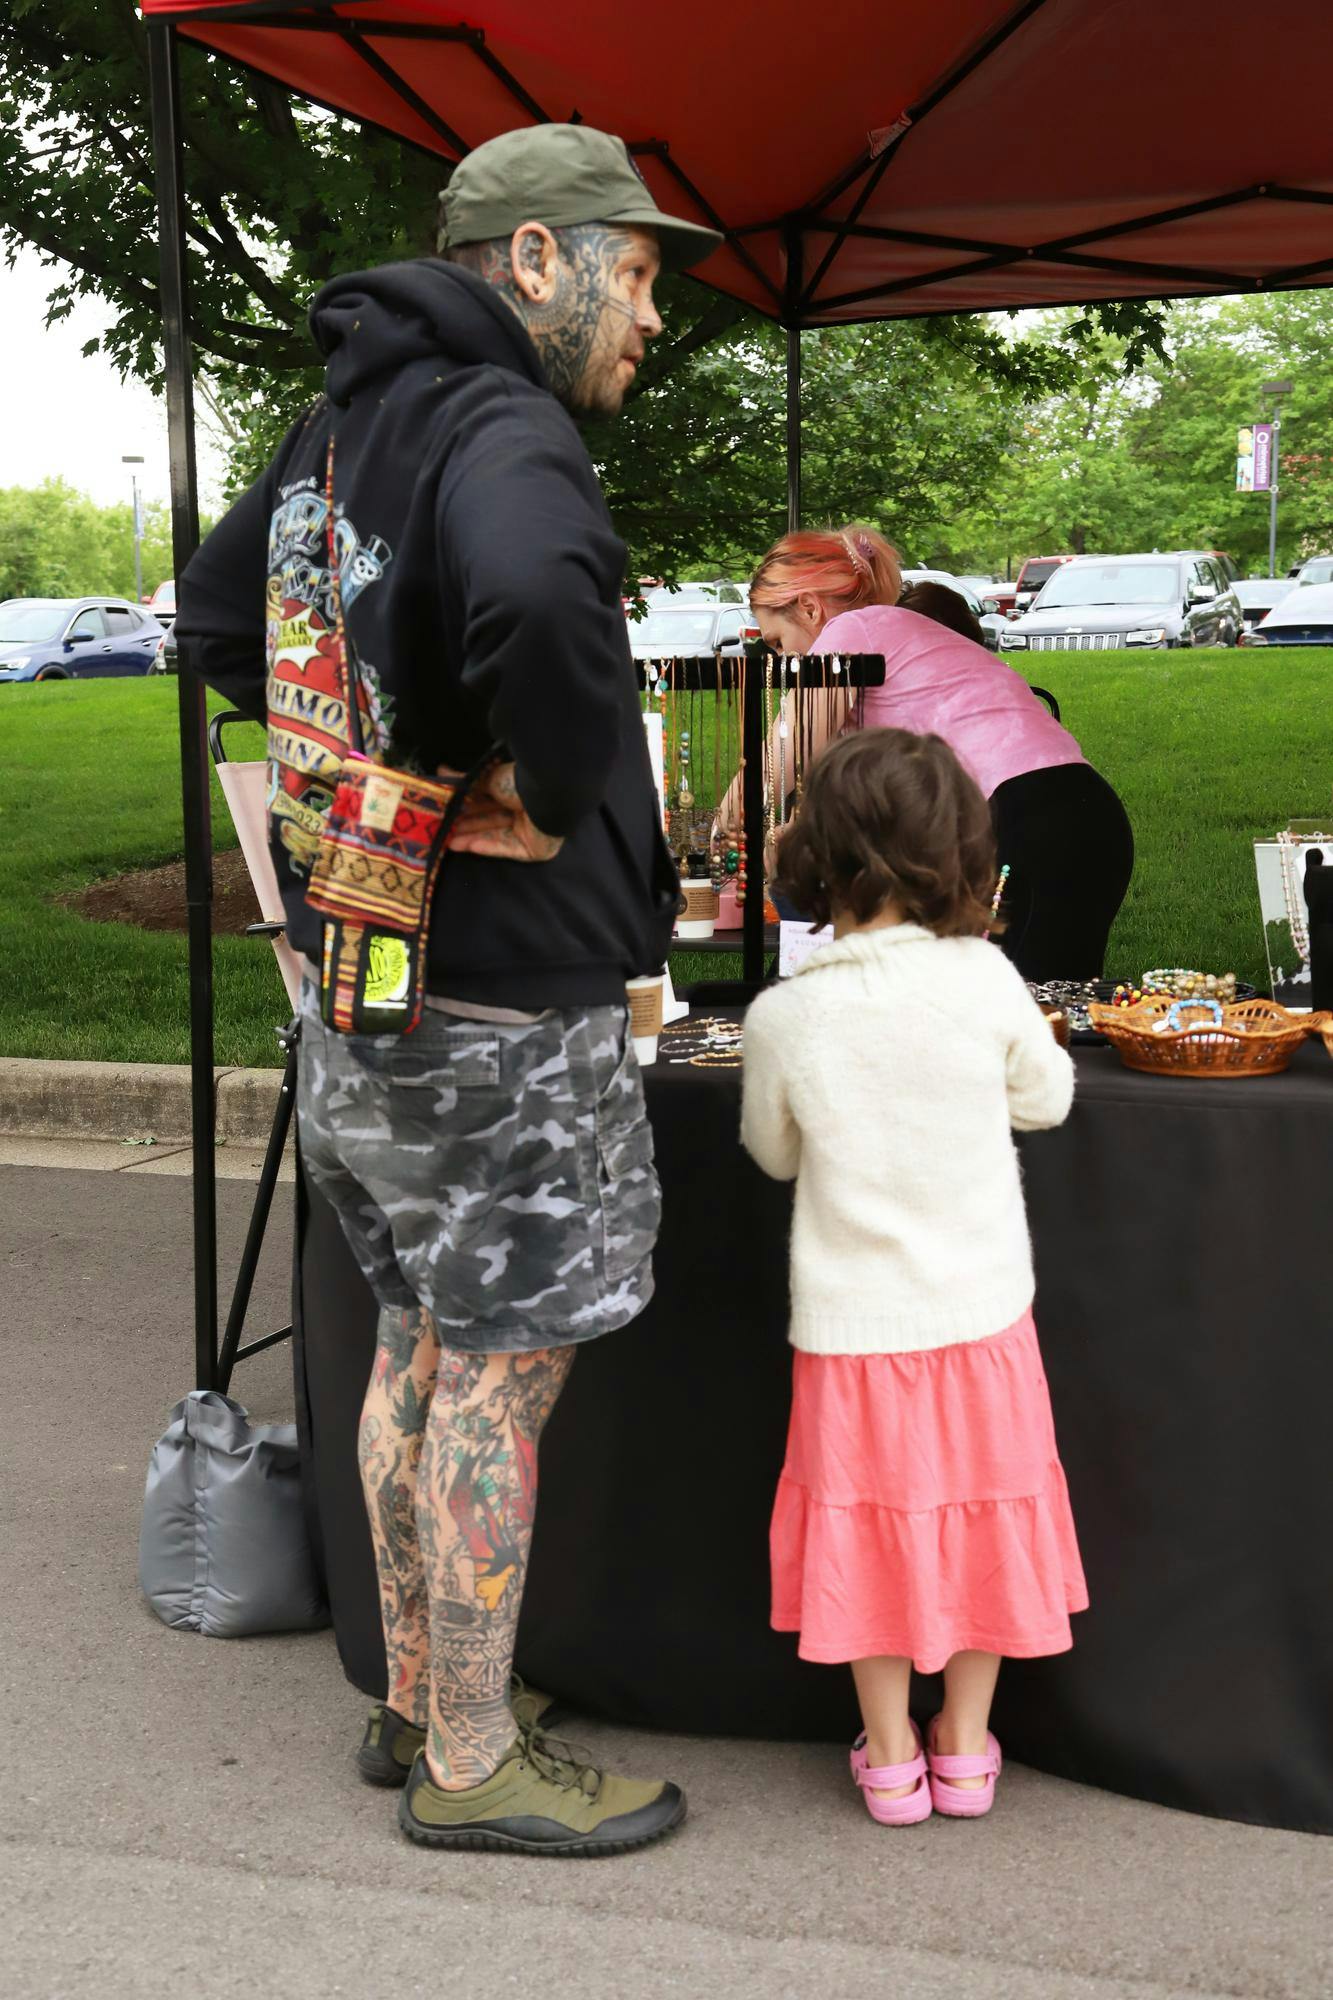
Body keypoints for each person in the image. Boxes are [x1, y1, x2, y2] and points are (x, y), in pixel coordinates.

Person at [175, 124, 722, 1858]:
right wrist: (546, 793)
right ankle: (477, 1761)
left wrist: (364, 778)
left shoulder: (337, 427)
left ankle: (418, 1697)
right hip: (503, 1011)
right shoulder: (502, 423)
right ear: (537, 262)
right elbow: (550, 606)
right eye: (634, 275)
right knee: (495, 1371)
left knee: (418, 1342)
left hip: (363, 985)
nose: (651, 317)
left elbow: (205, 622)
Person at [740, 727, 1087, 1825]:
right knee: (986, 1512)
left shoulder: (784, 1013)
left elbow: (774, 1152)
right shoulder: (982, 976)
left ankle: (889, 1754)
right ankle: (967, 1743)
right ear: (961, 848)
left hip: (850, 1328)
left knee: (866, 1521)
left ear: (814, 853)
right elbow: (1047, 1098)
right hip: (982, 1310)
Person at [740, 525, 1135, 981]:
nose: (783, 660)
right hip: (1085, 816)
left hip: (1031, 823)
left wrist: (726, 821)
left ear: (809, 608)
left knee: (1008, 1010)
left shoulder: (853, 628)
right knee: (1050, 1010)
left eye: (777, 642)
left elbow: (786, 751)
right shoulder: (899, 637)